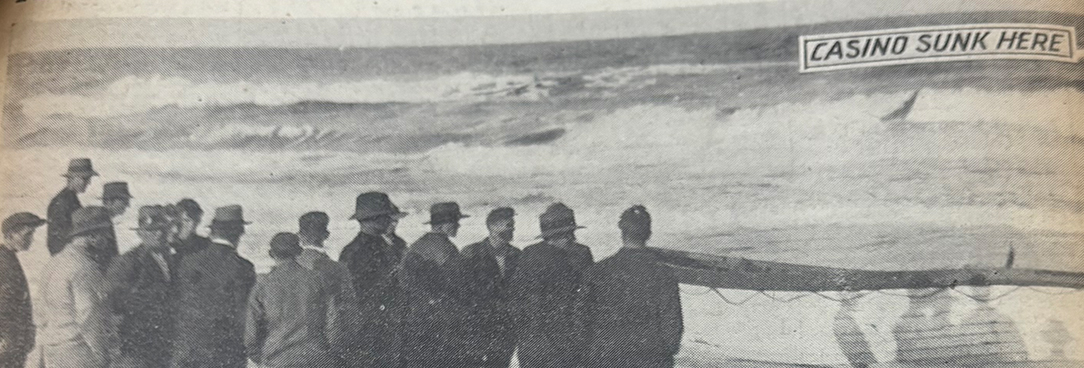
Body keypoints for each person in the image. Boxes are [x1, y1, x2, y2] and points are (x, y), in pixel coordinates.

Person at [580, 206, 682, 368]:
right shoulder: (664, 273)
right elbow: (672, 323)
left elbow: (582, 320)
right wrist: (665, 354)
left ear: (621, 232)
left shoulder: (597, 271)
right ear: (649, 233)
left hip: (607, 356)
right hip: (652, 358)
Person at [171, 205, 257, 368]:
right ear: (240, 233)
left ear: (212, 231)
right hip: (224, 353)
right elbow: (243, 315)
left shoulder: (188, 261)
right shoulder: (242, 267)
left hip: (187, 349)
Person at [511, 202, 594, 368]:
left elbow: (517, 300)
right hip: (558, 342)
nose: (572, 238)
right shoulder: (580, 254)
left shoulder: (529, 255)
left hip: (537, 342)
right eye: (568, 234)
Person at [246, 233, 347, 367]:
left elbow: (250, 334)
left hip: (277, 359)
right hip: (315, 357)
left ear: (271, 254)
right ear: (299, 252)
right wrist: (327, 351)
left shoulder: (262, 285)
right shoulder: (318, 280)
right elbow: (333, 320)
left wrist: (261, 359)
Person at [37, 206, 117, 368]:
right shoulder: (84, 267)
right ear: (93, 236)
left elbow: (42, 313)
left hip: (52, 349)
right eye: (105, 235)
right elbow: (89, 316)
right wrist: (102, 356)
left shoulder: (53, 263)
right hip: (78, 352)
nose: (108, 240)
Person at [338, 192, 408, 367]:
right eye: (387, 217)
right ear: (377, 219)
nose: (390, 221)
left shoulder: (349, 251)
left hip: (365, 328)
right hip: (380, 328)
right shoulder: (377, 249)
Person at [103, 205, 177, 367]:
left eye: (161, 229)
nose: (158, 234)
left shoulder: (171, 260)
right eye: (151, 230)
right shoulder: (127, 262)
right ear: (140, 233)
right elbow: (113, 304)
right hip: (135, 349)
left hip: (163, 347)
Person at [399, 202, 469, 368]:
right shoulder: (446, 249)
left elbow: (404, 281)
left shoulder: (417, 245)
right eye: (454, 221)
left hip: (416, 318)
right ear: (443, 225)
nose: (458, 225)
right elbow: (458, 285)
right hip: (441, 321)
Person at [459, 207, 520, 367]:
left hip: (505, 327)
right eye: (508, 225)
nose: (512, 229)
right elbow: (461, 291)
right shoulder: (471, 253)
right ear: (492, 227)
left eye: (513, 225)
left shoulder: (517, 255)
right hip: (477, 325)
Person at [296, 211, 358, 361]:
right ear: (326, 235)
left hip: (290, 351)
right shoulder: (337, 269)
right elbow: (345, 312)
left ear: (299, 235)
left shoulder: (288, 267)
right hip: (324, 349)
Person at [0, 213, 46, 367]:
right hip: (9, 341)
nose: (31, 239)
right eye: (27, 234)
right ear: (11, 234)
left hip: (14, 339)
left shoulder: (8, 256)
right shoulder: (3, 260)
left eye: (32, 234)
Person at [46, 158, 98, 255]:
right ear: (73, 177)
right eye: (85, 179)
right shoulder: (61, 202)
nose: (89, 183)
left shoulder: (70, 198)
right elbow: (57, 241)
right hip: (66, 258)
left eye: (89, 179)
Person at [96, 181, 132, 272]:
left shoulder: (105, 220)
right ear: (109, 201)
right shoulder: (101, 222)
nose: (128, 205)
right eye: (124, 201)